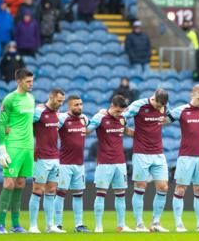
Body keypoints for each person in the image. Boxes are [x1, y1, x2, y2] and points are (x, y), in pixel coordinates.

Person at [169, 85, 199, 232]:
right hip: (186, 156)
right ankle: (178, 224)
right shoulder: (181, 110)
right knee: (181, 189)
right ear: (191, 95)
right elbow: (163, 120)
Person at [123, 89, 171, 232]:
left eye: (162, 106)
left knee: (163, 187)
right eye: (158, 106)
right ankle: (139, 224)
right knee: (140, 187)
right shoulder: (138, 105)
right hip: (141, 153)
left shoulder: (164, 107)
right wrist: (129, 132)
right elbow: (121, 118)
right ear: (154, 99)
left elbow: (170, 118)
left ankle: (155, 223)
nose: (160, 109)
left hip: (158, 153)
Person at [86, 95, 134, 233]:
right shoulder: (101, 118)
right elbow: (86, 131)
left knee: (121, 193)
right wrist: (94, 116)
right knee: (101, 193)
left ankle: (121, 225)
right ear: (111, 106)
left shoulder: (122, 119)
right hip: (104, 162)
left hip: (120, 162)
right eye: (118, 111)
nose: (120, 114)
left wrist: (145, 133)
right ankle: (98, 226)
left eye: (122, 112)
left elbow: (128, 131)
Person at [0, 68, 35, 234]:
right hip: (13, 146)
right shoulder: (9, 99)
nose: (31, 84)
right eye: (28, 81)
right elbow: (2, 124)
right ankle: (0, 225)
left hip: (28, 147)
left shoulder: (31, 98)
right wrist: (2, 150)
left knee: (20, 183)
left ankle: (16, 224)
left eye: (32, 81)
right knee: (9, 183)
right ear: (18, 81)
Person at [28, 88, 66, 234]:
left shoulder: (57, 113)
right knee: (37, 190)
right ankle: (32, 225)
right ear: (51, 97)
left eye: (62, 101)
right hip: (41, 157)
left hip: (55, 157)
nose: (61, 104)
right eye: (59, 100)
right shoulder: (39, 111)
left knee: (51, 191)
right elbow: (27, 126)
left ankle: (50, 226)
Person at [53, 95, 90, 233]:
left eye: (80, 104)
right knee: (61, 192)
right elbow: (51, 131)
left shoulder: (84, 119)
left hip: (79, 164)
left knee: (78, 194)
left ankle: (79, 224)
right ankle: (57, 224)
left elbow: (93, 125)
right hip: (64, 163)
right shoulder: (62, 118)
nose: (79, 107)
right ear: (69, 106)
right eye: (76, 105)